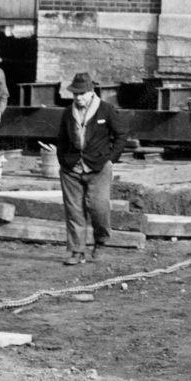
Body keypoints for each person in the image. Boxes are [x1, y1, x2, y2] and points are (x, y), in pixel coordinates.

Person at [56, 71, 121, 265]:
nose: (78, 98)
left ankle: (100, 240)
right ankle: (77, 251)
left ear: (91, 92)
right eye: (75, 94)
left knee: (98, 207)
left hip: (98, 167)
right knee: (74, 210)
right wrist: (63, 161)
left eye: (82, 94)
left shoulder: (106, 110)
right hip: (71, 169)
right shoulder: (68, 112)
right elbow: (61, 138)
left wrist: (111, 159)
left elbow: (121, 135)